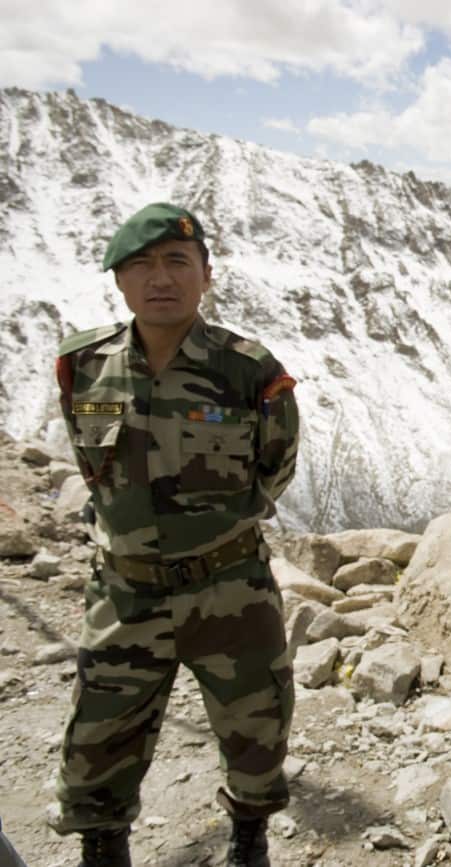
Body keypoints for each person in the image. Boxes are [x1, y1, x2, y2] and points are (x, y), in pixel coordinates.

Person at [49, 203, 300, 867]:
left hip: (229, 588)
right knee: (99, 736)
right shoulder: (86, 366)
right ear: (120, 282)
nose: (160, 278)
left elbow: (277, 464)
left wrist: (216, 533)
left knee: (256, 728)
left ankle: (249, 837)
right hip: (124, 592)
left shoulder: (246, 369)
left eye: (176, 262)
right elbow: (88, 459)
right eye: (141, 265)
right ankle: (104, 844)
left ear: (206, 276)